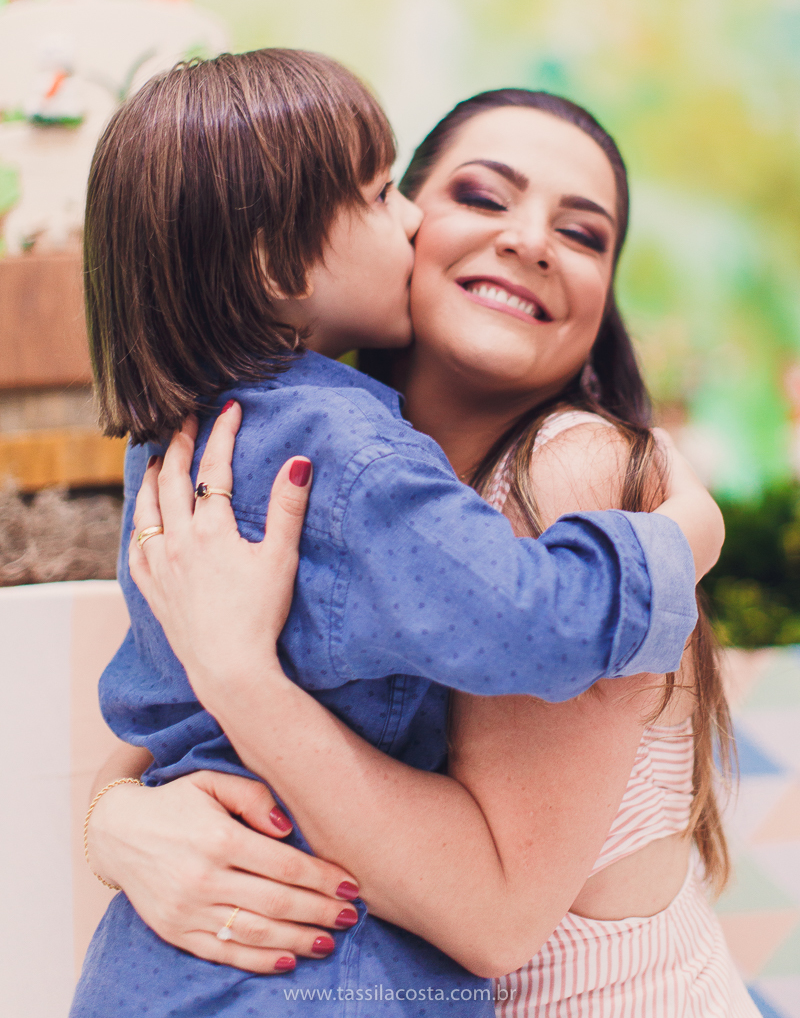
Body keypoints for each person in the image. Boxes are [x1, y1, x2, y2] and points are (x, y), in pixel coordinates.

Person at [73, 61, 721, 1017]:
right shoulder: (299, 456)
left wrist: (242, 682)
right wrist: (114, 819)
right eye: (475, 194)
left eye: (583, 233)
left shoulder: (569, 469)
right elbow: (179, 707)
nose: (532, 241)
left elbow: (494, 919)